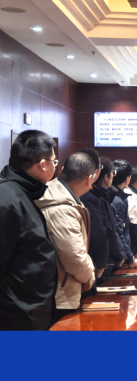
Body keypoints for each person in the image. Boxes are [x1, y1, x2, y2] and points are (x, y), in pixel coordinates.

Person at [0, 130, 57, 330]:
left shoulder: (23, 194)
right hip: (16, 318)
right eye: (54, 161)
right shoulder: (7, 200)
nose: (55, 166)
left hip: (32, 314)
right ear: (43, 164)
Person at [36, 153, 96, 318]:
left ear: (62, 169)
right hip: (59, 295)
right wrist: (90, 276)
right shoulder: (62, 208)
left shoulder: (62, 197)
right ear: (89, 179)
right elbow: (74, 259)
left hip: (57, 291)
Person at [79, 149, 123, 284]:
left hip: (96, 261)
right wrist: (103, 263)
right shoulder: (91, 197)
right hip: (93, 263)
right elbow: (103, 232)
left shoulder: (100, 195)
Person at [94, 157, 129, 274]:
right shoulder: (101, 198)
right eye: (112, 173)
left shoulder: (106, 195)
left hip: (107, 257)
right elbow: (111, 231)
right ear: (105, 177)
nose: (114, 176)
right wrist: (120, 255)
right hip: (105, 260)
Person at [109, 160, 137, 269]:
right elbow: (118, 232)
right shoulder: (117, 200)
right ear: (127, 178)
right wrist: (130, 258)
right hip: (115, 258)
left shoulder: (116, 195)